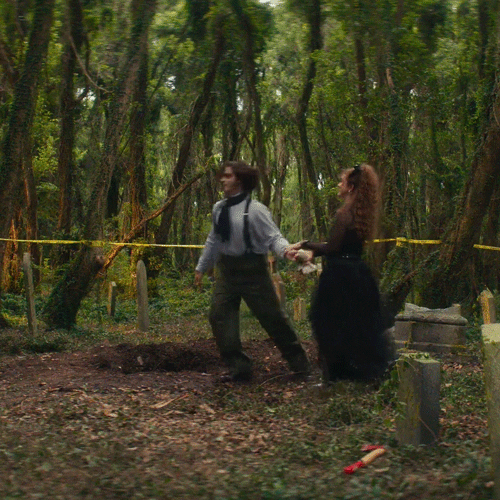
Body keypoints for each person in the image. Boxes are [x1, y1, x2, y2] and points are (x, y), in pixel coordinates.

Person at [195, 160, 311, 382]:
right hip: (227, 271)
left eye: (228, 175)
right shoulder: (218, 208)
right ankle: (240, 369)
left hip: (253, 271)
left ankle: (301, 366)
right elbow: (214, 240)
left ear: (239, 180)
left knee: (272, 318)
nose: (223, 179)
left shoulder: (256, 210)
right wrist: (202, 266)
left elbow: (273, 237)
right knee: (219, 315)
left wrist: (287, 250)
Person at [291, 163, 393, 383]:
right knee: (357, 324)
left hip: (340, 276)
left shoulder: (344, 214)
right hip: (358, 273)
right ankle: (357, 371)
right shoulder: (361, 213)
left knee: (328, 322)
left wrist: (305, 244)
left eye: (342, 181)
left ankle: (338, 372)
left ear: (351, 187)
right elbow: (341, 245)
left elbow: (332, 248)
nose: (339, 185)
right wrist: (312, 252)